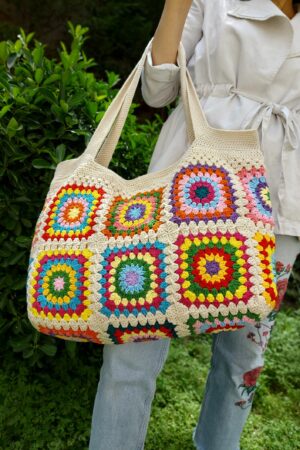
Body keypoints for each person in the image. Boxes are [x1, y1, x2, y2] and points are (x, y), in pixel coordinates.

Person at [88, 1, 300, 449]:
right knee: (132, 343)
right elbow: (157, 90)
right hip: (184, 190)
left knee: (242, 359)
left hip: (277, 204)